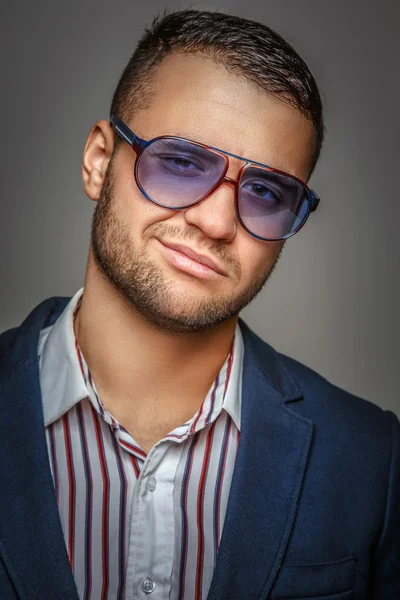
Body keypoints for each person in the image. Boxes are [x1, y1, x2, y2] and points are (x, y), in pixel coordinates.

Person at [0, 8, 398, 600]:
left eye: (265, 192)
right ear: (99, 160)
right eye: (182, 162)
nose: (216, 222)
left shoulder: (373, 461)